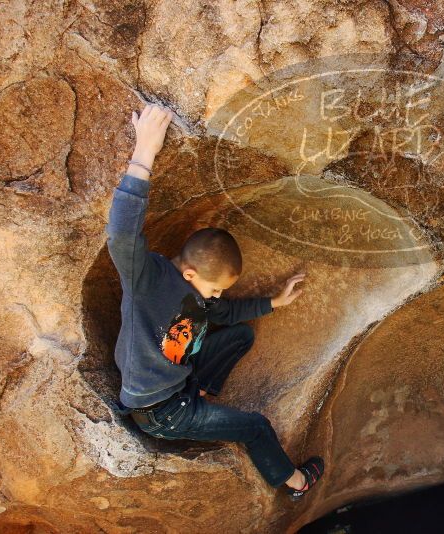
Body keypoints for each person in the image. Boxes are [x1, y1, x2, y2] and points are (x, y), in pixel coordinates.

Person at [106, 102, 323, 499]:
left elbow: (226, 311)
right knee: (254, 426)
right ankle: (294, 482)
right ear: (190, 274)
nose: (217, 296)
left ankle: (203, 388)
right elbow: (121, 236)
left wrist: (276, 302)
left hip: (183, 380)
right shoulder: (147, 280)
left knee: (240, 335)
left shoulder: (200, 297)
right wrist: (144, 154)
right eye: (215, 288)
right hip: (161, 411)